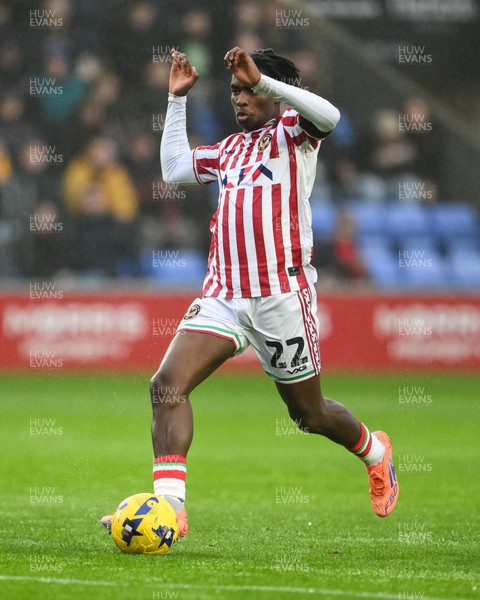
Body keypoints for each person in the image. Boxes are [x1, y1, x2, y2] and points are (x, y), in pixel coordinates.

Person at [101, 47, 399, 540]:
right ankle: (171, 509)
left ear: (271, 93)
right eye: (235, 90)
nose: (239, 98)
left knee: (309, 414)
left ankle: (375, 451)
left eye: (247, 90)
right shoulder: (230, 150)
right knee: (166, 385)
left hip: (281, 297)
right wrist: (176, 101)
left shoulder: (295, 136)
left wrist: (267, 82)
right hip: (225, 294)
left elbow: (331, 114)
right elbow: (175, 167)